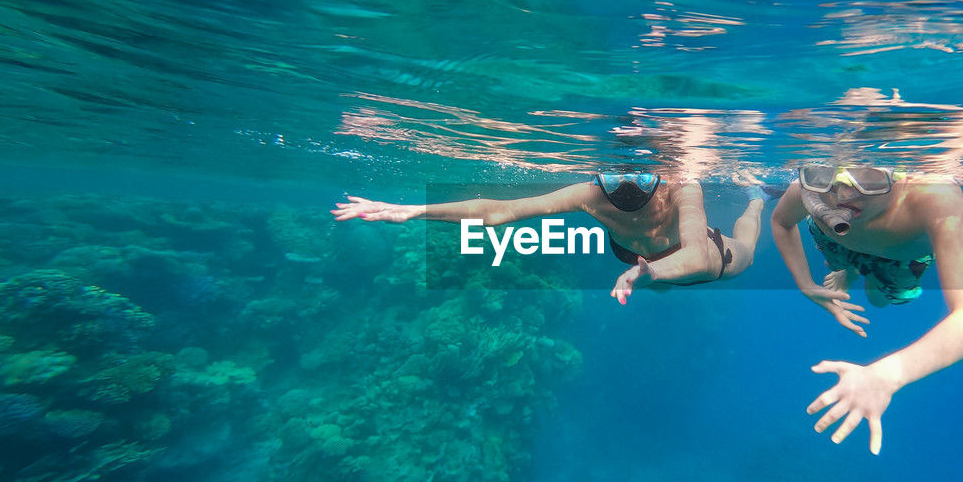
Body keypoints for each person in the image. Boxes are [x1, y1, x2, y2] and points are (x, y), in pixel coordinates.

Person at [770, 165, 963, 455]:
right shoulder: (811, 189)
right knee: (838, 265)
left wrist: (886, 376)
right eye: (827, 175)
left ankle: (862, 274)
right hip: (835, 237)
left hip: (900, 256)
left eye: (867, 175)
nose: (841, 193)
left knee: (878, 298)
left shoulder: (934, 196)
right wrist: (805, 283)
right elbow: (781, 222)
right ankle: (848, 269)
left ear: (899, 174)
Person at [332, 174, 775, 304]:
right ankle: (647, 278)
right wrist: (417, 211)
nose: (627, 187)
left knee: (749, 254)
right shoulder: (586, 195)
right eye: (615, 174)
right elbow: (501, 211)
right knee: (653, 287)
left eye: (642, 175)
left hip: (695, 260)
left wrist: (648, 272)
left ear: (659, 176)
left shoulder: (682, 188)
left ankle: (755, 200)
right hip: (639, 269)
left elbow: (697, 253)